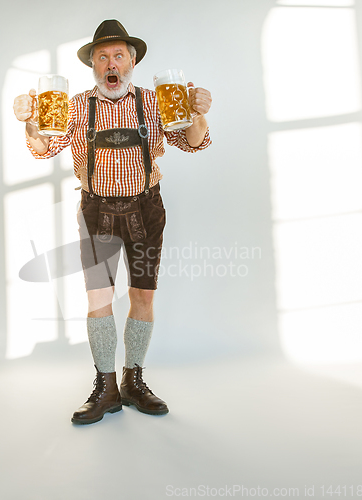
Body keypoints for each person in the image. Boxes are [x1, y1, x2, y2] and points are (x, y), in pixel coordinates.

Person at [13, 19, 212, 425]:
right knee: (98, 301)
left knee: (143, 297)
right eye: (102, 56)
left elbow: (195, 142)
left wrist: (199, 114)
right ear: (93, 65)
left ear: (132, 60)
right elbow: (42, 149)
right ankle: (105, 388)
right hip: (97, 211)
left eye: (118, 55)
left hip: (145, 210)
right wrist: (30, 123)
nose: (111, 63)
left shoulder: (158, 103)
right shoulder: (75, 106)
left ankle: (133, 380)